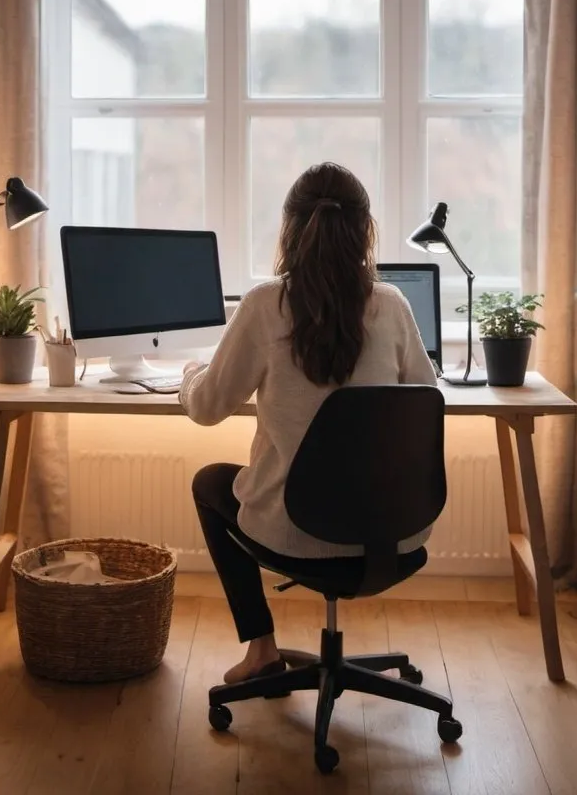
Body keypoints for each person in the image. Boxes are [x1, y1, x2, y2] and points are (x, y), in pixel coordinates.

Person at [180, 162, 438, 685]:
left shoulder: (264, 305)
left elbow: (206, 407)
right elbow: (429, 399)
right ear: (365, 231)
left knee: (210, 482)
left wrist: (190, 375)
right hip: (392, 539)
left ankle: (261, 649)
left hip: (296, 536)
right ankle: (262, 650)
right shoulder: (391, 305)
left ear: (290, 229)